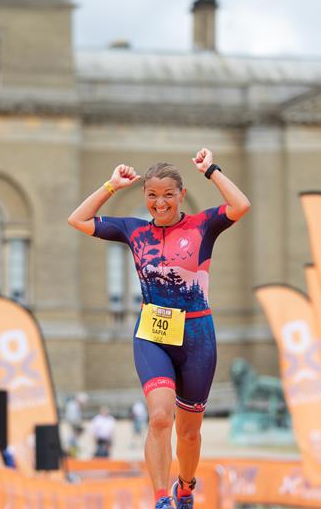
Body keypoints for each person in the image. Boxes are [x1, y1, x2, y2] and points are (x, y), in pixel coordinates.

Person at [67, 148, 250, 509]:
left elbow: (240, 205)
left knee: (189, 432)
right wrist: (111, 185)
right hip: (153, 333)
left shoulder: (203, 225)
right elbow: (78, 219)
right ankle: (161, 499)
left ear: (181, 195)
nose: (160, 202)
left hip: (198, 337)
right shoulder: (132, 230)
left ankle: (185, 486)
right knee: (160, 417)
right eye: (152, 195)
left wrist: (211, 170)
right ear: (144, 197)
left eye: (168, 194)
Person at [64, 393, 87, 457]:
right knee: (70, 444)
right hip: (72, 428)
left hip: (74, 429)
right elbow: (72, 419)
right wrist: (78, 426)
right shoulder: (73, 406)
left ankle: (72, 456)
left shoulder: (76, 407)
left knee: (73, 445)